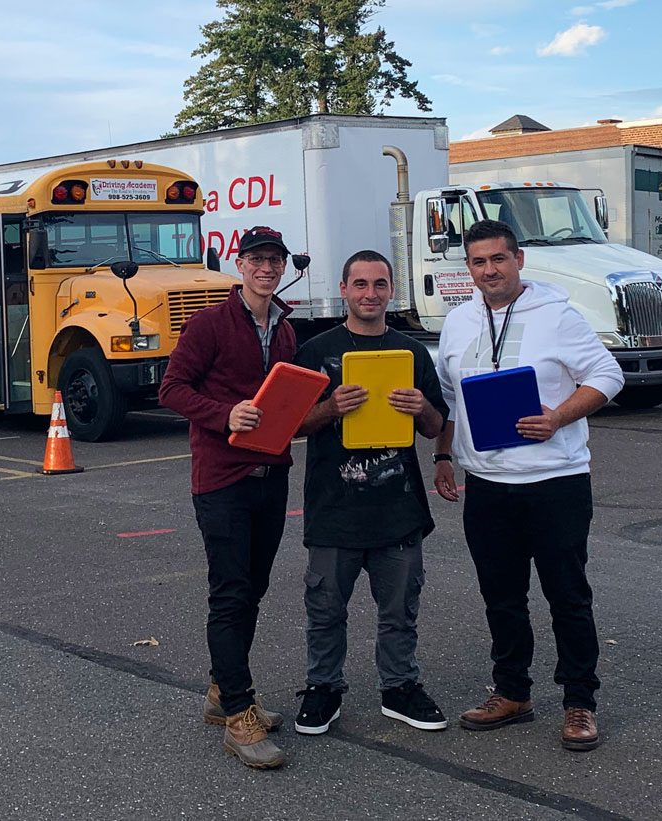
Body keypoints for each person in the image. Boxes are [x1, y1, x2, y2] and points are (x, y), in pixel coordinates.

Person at [432, 219, 623, 752]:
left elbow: (607, 375)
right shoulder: (457, 322)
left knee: (568, 596)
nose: (489, 270)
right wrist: (444, 455)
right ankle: (512, 692)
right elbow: (450, 397)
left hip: (555, 482)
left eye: (498, 258)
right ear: (467, 268)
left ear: (519, 260)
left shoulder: (558, 316)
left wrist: (559, 417)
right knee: (502, 597)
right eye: (478, 261)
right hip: (487, 485)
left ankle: (579, 702)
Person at [291, 250, 450, 735]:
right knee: (325, 611)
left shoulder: (412, 352)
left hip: (397, 509)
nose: (370, 294)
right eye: (360, 284)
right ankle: (324, 689)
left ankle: (400, 687)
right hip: (333, 509)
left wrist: (422, 406)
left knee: (400, 612)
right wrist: (329, 408)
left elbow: (436, 426)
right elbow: (291, 425)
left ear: (392, 290)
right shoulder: (315, 352)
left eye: (379, 285)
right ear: (343, 290)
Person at [158, 226, 297, 770]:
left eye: (275, 261)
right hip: (222, 478)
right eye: (258, 259)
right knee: (231, 591)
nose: (266, 268)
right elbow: (172, 388)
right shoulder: (210, 323)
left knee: (254, 588)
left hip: (272, 474)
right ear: (240, 264)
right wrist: (224, 415)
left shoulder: (284, 326)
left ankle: (223, 691)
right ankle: (239, 714)